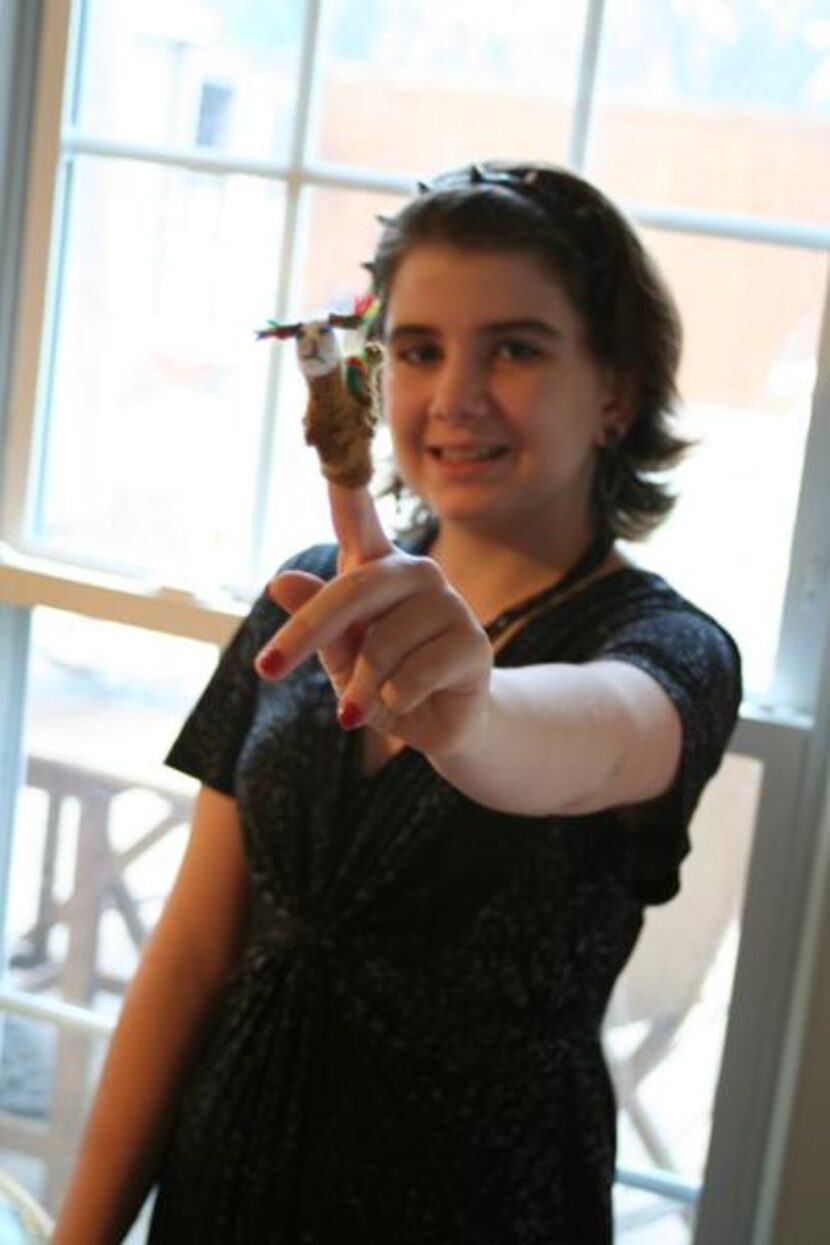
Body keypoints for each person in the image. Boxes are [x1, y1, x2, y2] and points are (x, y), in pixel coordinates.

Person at [53, 161, 741, 1244]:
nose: (454, 396)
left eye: (514, 348)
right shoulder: (306, 593)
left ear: (613, 388)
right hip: (224, 1188)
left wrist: (467, 714)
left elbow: (590, 734)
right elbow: (190, 953)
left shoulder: (670, 652)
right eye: (418, 351)